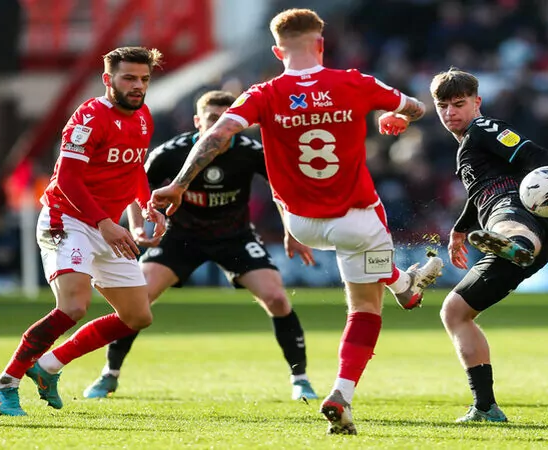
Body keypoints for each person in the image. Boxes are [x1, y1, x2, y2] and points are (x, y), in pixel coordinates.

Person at [151, 8, 444, 435]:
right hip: (356, 219)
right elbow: (417, 107)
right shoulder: (354, 82)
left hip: (302, 222)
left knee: (365, 263)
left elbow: (217, 136)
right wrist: (394, 116)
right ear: (321, 44)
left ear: (277, 50)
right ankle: (343, 391)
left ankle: (404, 285)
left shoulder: (263, 93)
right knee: (363, 306)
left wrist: (179, 184)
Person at [82, 90, 320, 402]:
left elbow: (281, 190)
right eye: (212, 120)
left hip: (234, 237)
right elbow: (134, 185)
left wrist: (292, 230)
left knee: (276, 297)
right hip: (181, 237)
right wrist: (137, 225)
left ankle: (300, 379)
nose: (220, 128)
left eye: (227, 120)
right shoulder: (171, 152)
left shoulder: (251, 151)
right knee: (138, 299)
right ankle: (109, 374)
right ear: (197, 122)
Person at [0, 47, 166, 416]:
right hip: (67, 220)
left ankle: (48, 366)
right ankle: (5, 383)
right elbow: (67, 179)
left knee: (138, 317)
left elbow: (133, 168)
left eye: (144, 79)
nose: (137, 86)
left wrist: (145, 207)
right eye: (129, 78)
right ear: (108, 79)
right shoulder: (88, 117)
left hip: (108, 225)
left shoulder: (143, 115)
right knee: (73, 306)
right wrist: (104, 223)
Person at [427, 68, 548, 423]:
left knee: (507, 220)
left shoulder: (483, 128)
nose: (450, 112)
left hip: (518, 211)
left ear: (477, 102)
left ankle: (515, 244)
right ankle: (484, 407)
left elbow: (535, 155)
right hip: (526, 231)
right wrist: (461, 229)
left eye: (459, 104)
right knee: (456, 313)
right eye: (443, 106)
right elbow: (480, 191)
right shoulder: (469, 145)